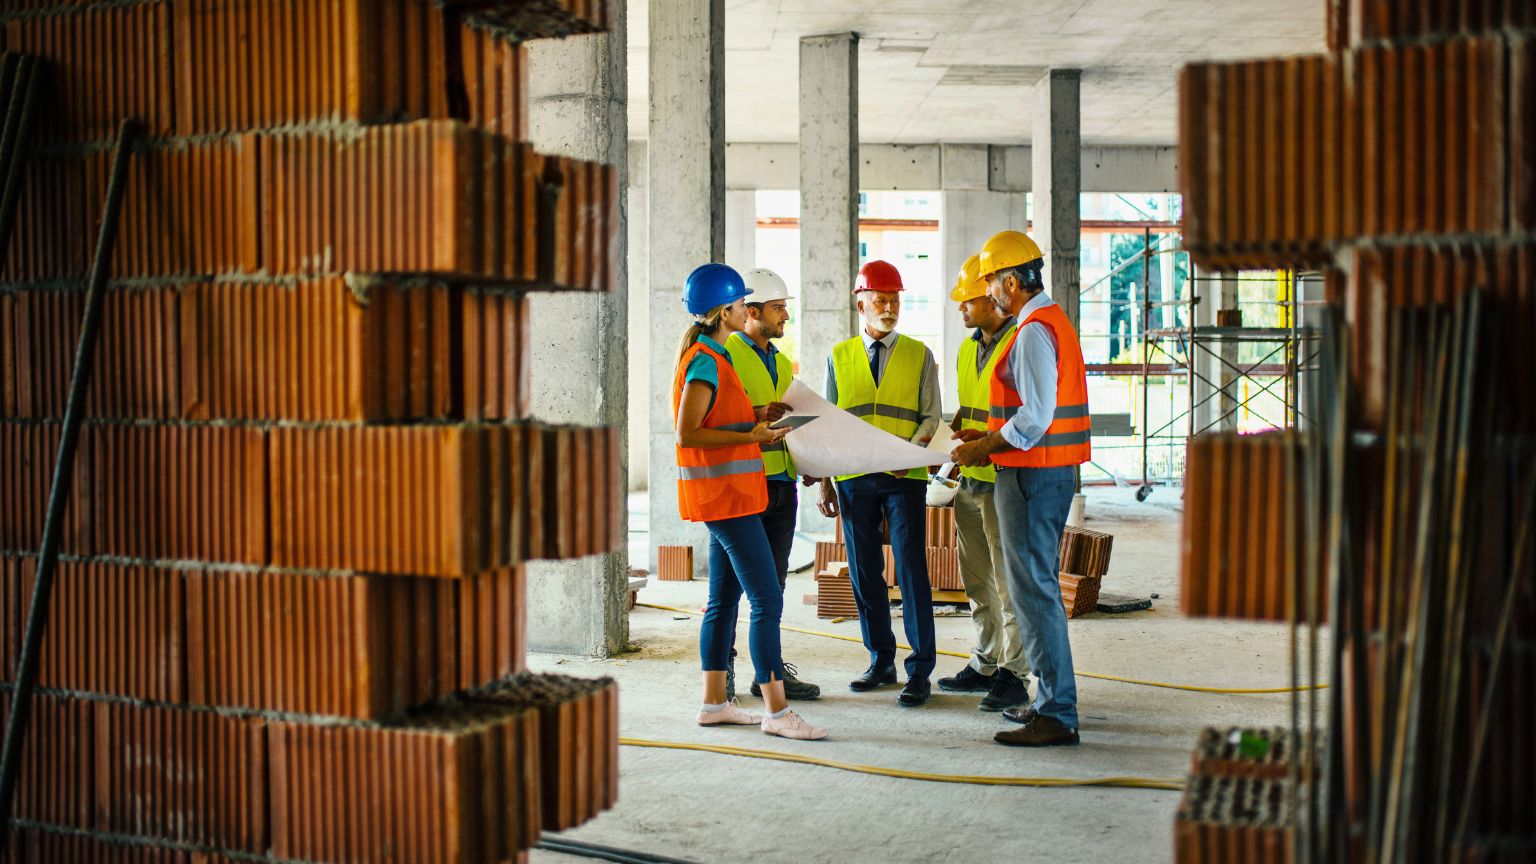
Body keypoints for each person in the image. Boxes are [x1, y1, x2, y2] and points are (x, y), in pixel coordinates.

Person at [674, 263, 827, 740]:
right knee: (766, 598)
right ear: (725, 312)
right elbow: (688, 432)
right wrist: (753, 438)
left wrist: (755, 419)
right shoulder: (707, 360)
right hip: (729, 498)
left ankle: (714, 703)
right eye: (742, 303)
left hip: (729, 495)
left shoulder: (712, 356)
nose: (747, 308)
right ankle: (778, 712)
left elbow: (718, 419)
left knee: (722, 601)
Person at [952, 230, 1091, 747]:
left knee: (1034, 591)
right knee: (1036, 589)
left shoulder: (1033, 329)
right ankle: (1049, 701)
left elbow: (1035, 418)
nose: (988, 293)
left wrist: (984, 446)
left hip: (1033, 474)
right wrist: (985, 435)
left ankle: (1056, 712)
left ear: (1012, 282)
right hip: (1043, 472)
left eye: (991, 283)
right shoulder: (1050, 321)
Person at [816, 260, 941, 707]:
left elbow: (930, 416)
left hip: (903, 479)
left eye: (895, 300)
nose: (889, 308)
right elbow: (827, 422)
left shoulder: (919, 354)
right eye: (881, 300)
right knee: (866, 573)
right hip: (852, 479)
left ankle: (920, 669)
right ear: (861, 303)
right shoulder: (839, 356)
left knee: (911, 572)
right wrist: (825, 483)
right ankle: (880, 659)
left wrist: (913, 451)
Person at [935, 254, 1031, 713]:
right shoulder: (966, 349)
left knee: (1010, 583)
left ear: (992, 297)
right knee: (977, 581)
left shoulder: (1021, 341)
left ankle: (1015, 671)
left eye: (967, 299)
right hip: (969, 479)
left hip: (1005, 479)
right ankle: (988, 659)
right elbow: (969, 410)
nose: (961, 308)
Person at [722, 268, 823, 702]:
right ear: (752, 311)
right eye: (779, 308)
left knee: (773, 588)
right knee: (728, 587)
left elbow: (784, 423)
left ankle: (768, 671)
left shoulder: (780, 360)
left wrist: (809, 458)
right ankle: (720, 670)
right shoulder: (726, 354)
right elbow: (714, 421)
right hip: (743, 486)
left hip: (781, 484)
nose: (786, 317)